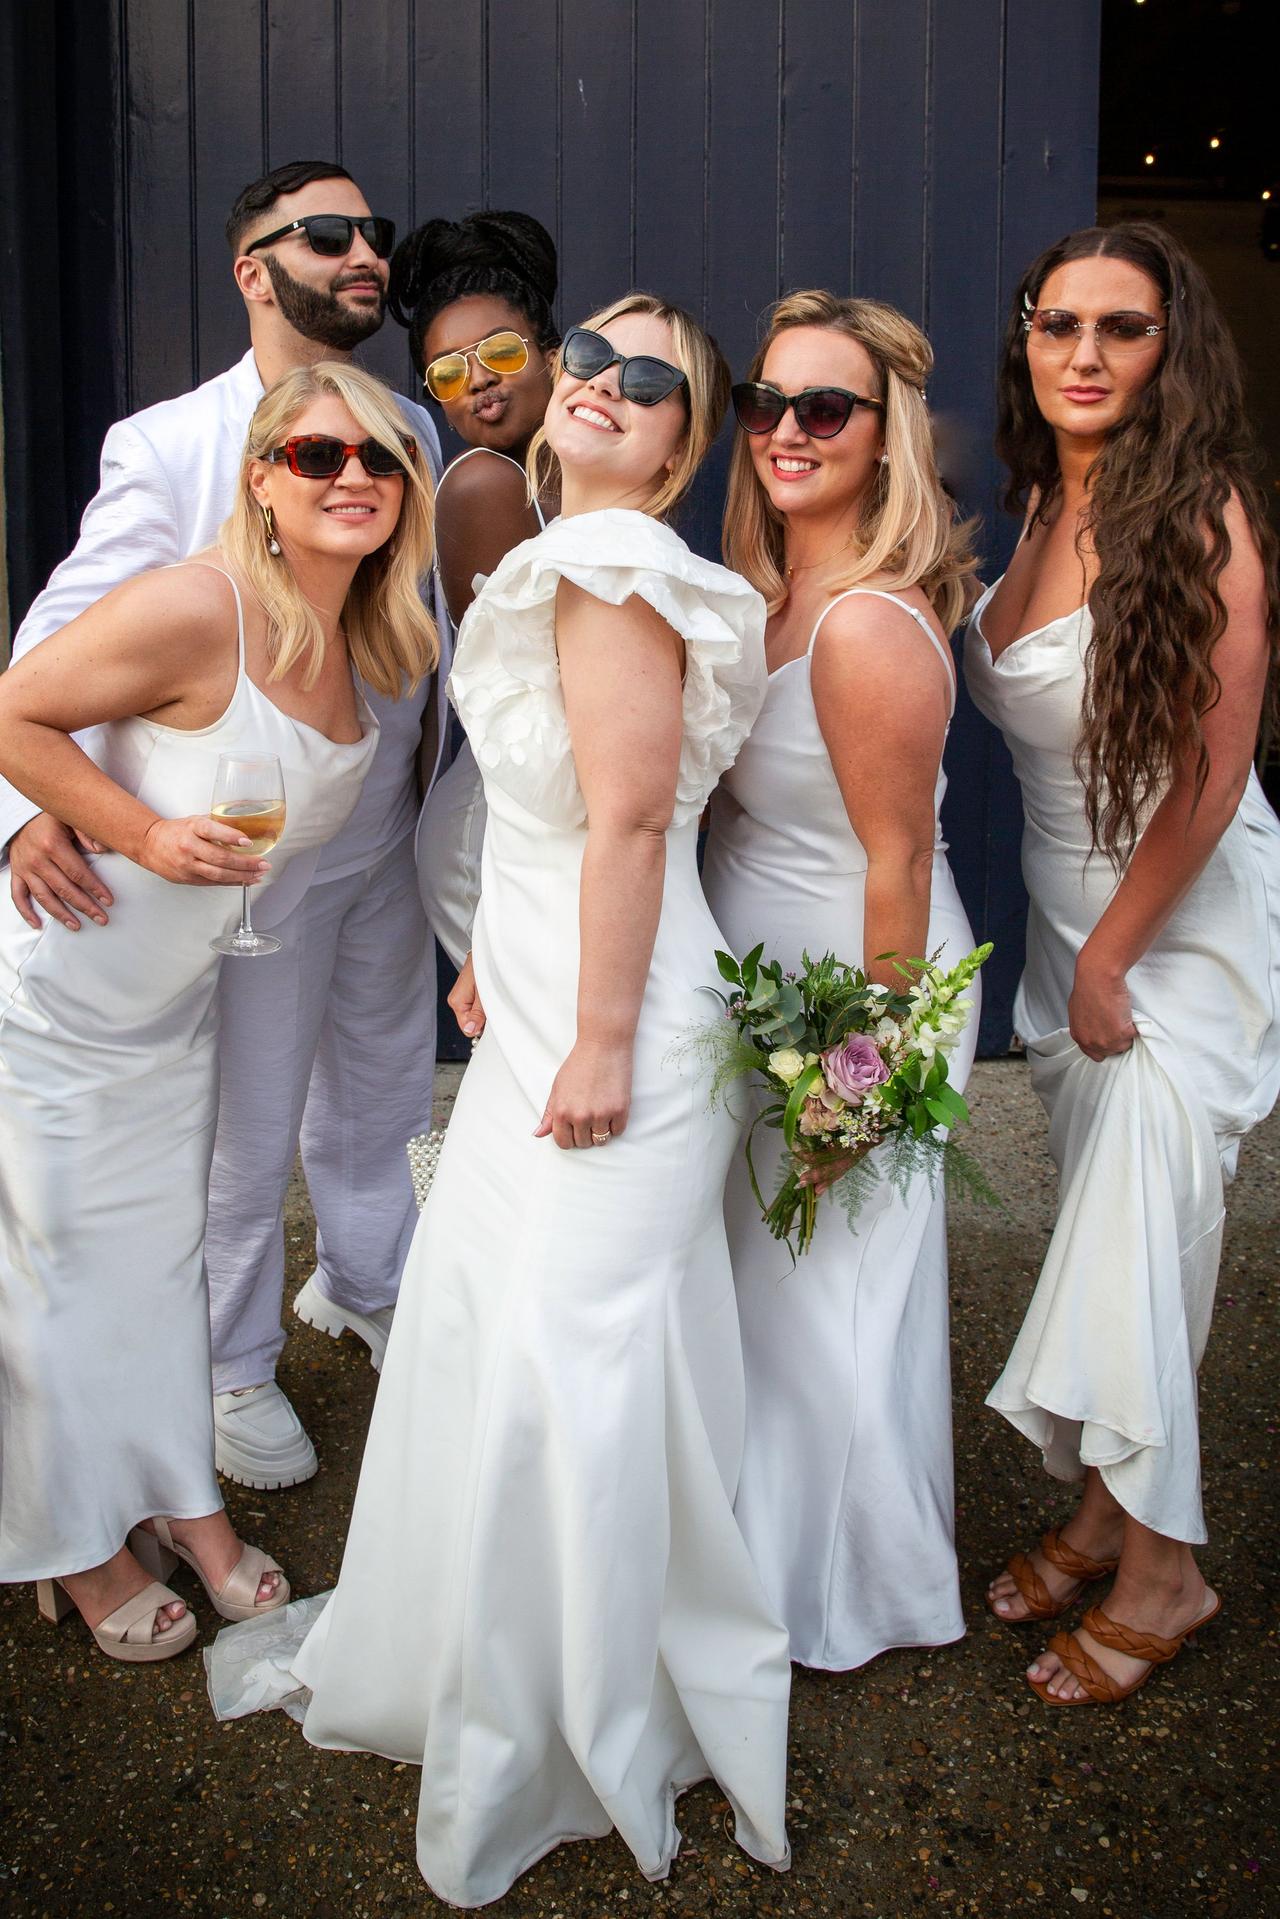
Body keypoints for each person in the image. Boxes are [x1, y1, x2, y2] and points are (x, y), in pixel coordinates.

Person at [210, 295, 791, 1905]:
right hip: (558, 987)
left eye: (649, 376)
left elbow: (626, 826)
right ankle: (520, 1652)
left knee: (570, 1349)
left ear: (686, 441)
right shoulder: (579, 557)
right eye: (588, 360)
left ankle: (570, 1700)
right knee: (523, 1327)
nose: (602, 385)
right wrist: (503, 966)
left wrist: (593, 1036)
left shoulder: (613, 566)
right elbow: (557, 826)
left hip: (614, 1022)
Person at [0, 161, 445, 1492]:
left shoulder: (408, 423)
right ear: (255, 269)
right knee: (244, 1126)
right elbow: (53, 639)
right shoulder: (167, 445)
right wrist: (42, 808)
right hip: (241, 859)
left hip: (375, 827)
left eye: (374, 234)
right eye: (328, 235)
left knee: (385, 1087)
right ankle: (229, 1364)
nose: (365, 252)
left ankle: (368, 1276)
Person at [965, 221, 1280, 1704]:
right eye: (1060, 323)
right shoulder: (1033, 499)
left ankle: (1169, 1569)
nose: (1085, 353)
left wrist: (1115, 953)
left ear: (1173, 349)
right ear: (1027, 338)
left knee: (1141, 1239)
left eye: (1125, 326)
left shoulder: (1202, 513)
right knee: (1107, 1235)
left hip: (1173, 922)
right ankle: (1104, 1508)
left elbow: (1215, 778)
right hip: (1062, 906)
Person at [702, 290, 979, 1671]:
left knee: (834, 1283)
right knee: (769, 1283)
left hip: (856, 985)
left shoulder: (866, 622)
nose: (788, 431)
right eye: (770, 403)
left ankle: (847, 1584)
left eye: (829, 407)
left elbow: (900, 873)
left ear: (888, 434)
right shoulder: (761, 590)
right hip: (760, 970)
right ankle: (759, 1541)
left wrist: (861, 1080)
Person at [387, 208, 560, 965]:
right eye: (448, 372)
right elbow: (546, 694)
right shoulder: (485, 485)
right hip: (508, 825)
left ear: (551, 353)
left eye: (499, 351)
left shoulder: (572, 475)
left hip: (564, 810)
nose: (478, 379)